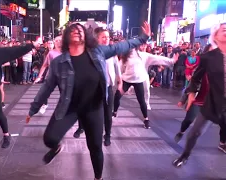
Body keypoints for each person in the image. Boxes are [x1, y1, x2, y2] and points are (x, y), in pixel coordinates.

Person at [26, 22, 151, 180]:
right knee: (49, 139)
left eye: (80, 30)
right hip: (69, 107)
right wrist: (33, 108)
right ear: (66, 37)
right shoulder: (59, 62)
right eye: (73, 30)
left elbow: (121, 46)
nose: (77, 32)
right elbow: (47, 86)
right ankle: (57, 147)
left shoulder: (97, 52)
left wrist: (143, 38)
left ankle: (98, 177)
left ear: (86, 36)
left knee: (95, 147)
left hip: (94, 108)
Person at [172, 24, 226, 167]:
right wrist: (190, 94)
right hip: (212, 103)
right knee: (195, 132)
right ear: (215, 36)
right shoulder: (208, 57)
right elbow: (196, 77)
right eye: (223, 28)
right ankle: (184, 156)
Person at [73, 27, 121, 146]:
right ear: (97, 38)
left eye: (108, 37)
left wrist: (120, 82)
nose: (106, 39)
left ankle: (108, 135)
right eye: (103, 37)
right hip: (92, 88)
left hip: (107, 88)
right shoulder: (90, 51)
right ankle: (81, 127)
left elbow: (117, 67)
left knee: (108, 113)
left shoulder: (112, 52)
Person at [113, 46, 178, 129]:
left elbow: (157, 58)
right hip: (127, 80)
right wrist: (119, 80)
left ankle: (146, 119)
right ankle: (114, 112)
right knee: (117, 95)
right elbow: (119, 68)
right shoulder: (125, 57)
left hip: (138, 80)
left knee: (141, 101)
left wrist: (171, 61)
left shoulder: (143, 55)